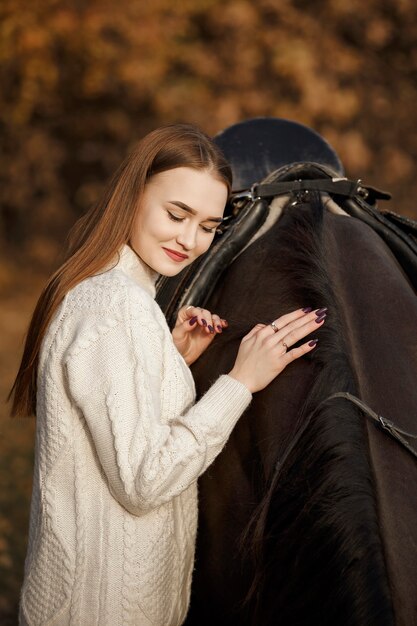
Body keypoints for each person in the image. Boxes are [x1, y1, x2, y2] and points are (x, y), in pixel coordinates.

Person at [9, 123, 326, 626]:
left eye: (208, 226)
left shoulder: (110, 295)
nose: (189, 240)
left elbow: (113, 431)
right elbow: (145, 481)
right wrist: (240, 382)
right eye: (177, 214)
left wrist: (169, 362)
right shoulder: (117, 307)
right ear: (133, 196)